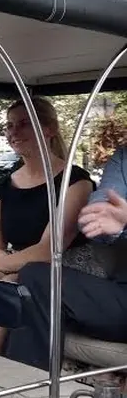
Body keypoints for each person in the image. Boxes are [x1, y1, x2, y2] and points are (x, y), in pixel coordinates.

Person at [0, 97, 94, 354]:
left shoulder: (75, 181)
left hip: (68, 266)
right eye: (10, 126)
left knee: (10, 282)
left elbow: (48, 251)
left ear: (49, 129)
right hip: (15, 263)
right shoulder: (4, 186)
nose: (14, 132)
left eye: (24, 124)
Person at [7, 145, 127, 371]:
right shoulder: (124, 159)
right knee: (36, 277)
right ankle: (26, 389)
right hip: (121, 297)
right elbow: (96, 214)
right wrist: (104, 218)